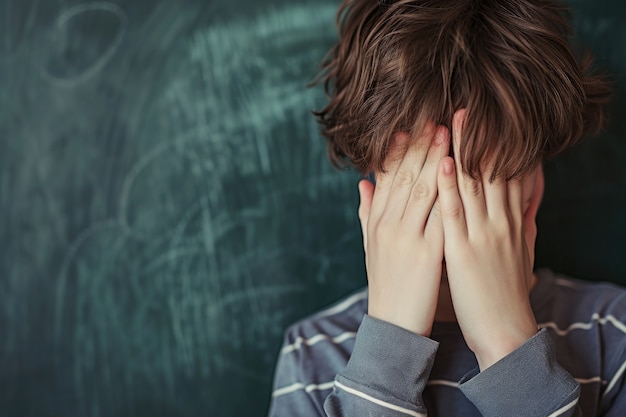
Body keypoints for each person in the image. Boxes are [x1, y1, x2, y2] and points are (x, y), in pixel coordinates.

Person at [268, 0, 625, 416]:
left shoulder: (614, 337)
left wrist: (506, 343)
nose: (449, 209)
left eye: (479, 183)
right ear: (375, 185)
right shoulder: (311, 359)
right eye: (419, 180)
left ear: (535, 182)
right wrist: (389, 353)